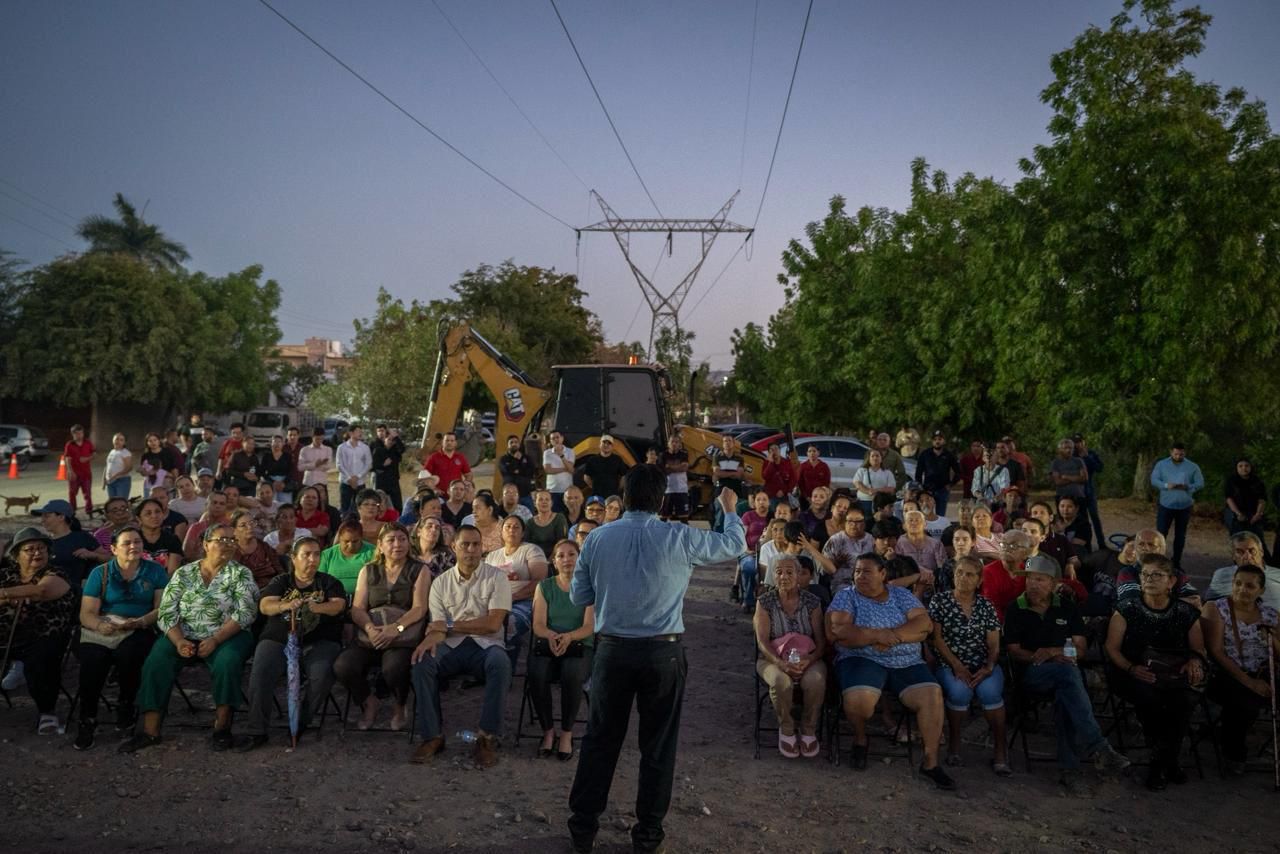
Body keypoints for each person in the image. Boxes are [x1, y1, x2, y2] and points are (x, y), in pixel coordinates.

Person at [567, 468, 745, 854]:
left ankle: (583, 830)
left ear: (624, 497)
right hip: (663, 653)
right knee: (658, 747)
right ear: (662, 499)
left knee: (600, 740)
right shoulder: (679, 535)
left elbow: (579, 597)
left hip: (613, 651)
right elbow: (734, 544)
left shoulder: (597, 538)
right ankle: (648, 837)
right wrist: (729, 509)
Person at [120, 523, 258, 752]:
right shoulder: (185, 573)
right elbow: (166, 611)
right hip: (183, 634)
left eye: (232, 540)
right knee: (156, 662)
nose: (228, 544)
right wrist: (178, 640)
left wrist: (216, 639)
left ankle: (222, 729)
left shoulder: (240, 573)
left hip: (227, 634)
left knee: (228, 662)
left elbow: (246, 613)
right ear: (206, 544)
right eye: (221, 540)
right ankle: (150, 731)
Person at [1003, 554, 1130, 793]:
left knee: (1067, 693)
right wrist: (1040, 656)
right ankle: (1098, 748)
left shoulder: (1067, 607)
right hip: (1031, 673)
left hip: (1065, 674)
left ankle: (1071, 769)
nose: (1033, 584)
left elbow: (1080, 649)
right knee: (1069, 677)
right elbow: (1014, 650)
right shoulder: (1016, 608)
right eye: (1030, 579)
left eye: (1040, 579)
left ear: (1053, 583)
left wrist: (1053, 652)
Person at [825, 553, 953, 788]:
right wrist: (877, 635)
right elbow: (840, 632)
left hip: (907, 661)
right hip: (862, 658)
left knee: (932, 695)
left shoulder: (900, 595)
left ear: (882, 574)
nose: (860, 576)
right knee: (859, 700)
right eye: (857, 571)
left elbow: (924, 625)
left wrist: (893, 636)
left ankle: (930, 762)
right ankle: (860, 740)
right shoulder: (847, 596)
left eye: (867, 571)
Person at [409, 524, 512, 767]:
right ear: (454, 547)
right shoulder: (441, 583)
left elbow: (492, 624)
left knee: (500, 664)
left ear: (482, 547)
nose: (471, 550)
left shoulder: (497, 577)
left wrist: (450, 625)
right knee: (422, 662)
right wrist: (432, 636)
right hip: (450, 645)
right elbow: (437, 627)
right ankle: (432, 736)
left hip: (487, 645)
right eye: (465, 544)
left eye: (476, 544)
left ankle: (487, 737)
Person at [1104, 553, 1206, 790]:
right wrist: (1131, 668)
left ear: (1171, 581)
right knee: (1152, 698)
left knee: (1184, 700)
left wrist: (1194, 660)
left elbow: (1198, 647)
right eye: (1145, 575)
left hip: (1174, 672)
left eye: (1157, 575)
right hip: (1131, 671)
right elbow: (1112, 648)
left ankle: (1162, 761)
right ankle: (1165, 764)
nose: (1149, 579)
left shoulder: (1185, 611)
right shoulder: (1126, 608)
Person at [240, 536, 346, 750]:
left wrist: (318, 607)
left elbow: (338, 605)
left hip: (319, 641)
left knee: (321, 674)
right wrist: (285, 605)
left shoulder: (329, 582)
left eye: (316, 554)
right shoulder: (281, 581)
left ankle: (299, 722)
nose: (312, 559)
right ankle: (257, 730)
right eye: (306, 554)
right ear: (294, 558)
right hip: (279, 639)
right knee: (261, 673)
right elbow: (265, 605)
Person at [74, 527, 167, 750]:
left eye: (138, 542)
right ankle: (87, 718)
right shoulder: (101, 573)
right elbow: (86, 613)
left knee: (130, 654)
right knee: (92, 660)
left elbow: (161, 608)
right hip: (103, 626)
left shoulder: (155, 571)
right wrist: (100, 625)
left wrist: (141, 621)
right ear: (114, 549)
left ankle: (126, 704)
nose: (134, 546)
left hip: (139, 626)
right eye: (127, 543)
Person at [334, 523, 430, 732]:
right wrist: (369, 628)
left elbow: (419, 608)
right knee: (343, 665)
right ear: (380, 545)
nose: (397, 544)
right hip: (372, 634)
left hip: (403, 635)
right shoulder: (368, 570)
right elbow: (358, 608)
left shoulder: (419, 569)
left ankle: (400, 705)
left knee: (393, 668)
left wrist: (397, 628)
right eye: (391, 540)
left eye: (402, 539)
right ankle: (369, 702)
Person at [928, 554, 1010, 774]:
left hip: (982, 664)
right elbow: (937, 639)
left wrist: (989, 667)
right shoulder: (940, 601)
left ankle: (1000, 751)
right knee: (959, 692)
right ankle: (955, 746)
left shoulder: (986, 605)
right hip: (950, 663)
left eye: (970, 575)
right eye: (959, 573)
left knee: (991, 693)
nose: (963, 578)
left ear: (979, 580)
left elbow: (994, 643)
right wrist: (956, 665)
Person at [1200, 564, 1279, 774]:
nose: (1242, 589)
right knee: (1245, 702)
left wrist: (1273, 639)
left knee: (1251, 699)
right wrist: (1250, 682)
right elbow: (1216, 652)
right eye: (1238, 583)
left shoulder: (1270, 614)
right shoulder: (1216, 608)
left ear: (1261, 590)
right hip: (1224, 674)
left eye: (1250, 586)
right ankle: (1233, 754)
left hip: (1263, 673)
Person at [0, 528, 77, 734]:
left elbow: (42, 590)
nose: (37, 553)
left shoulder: (56, 573)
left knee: (41, 659)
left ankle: (47, 712)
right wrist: (16, 595)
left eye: (41, 548)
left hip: (45, 634)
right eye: (30, 549)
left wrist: (5, 594)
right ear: (16, 555)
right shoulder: (6, 574)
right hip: (6, 635)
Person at [754, 554, 827, 758]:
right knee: (781, 682)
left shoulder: (812, 602)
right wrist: (781, 663)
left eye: (789, 572)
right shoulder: (765, 602)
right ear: (773, 576)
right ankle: (786, 727)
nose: (784, 577)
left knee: (815, 680)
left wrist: (809, 660)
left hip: (807, 658)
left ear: (798, 575)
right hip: (772, 658)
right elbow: (762, 642)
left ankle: (808, 728)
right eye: (779, 572)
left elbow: (821, 641)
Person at [530, 539, 596, 760]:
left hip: (579, 643)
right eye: (561, 556)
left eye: (571, 555)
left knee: (572, 674)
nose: (566, 559)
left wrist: (569, 637)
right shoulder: (545, 587)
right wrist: (551, 635)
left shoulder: (589, 586)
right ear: (554, 561)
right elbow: (538, 624)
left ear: (579, 559)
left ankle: (567, 732)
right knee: (537, 673)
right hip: (549, 641)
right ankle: (548, 731)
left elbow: (589, 626)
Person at [485, 515, 548, 668]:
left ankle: (507, 669)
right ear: (501, 531)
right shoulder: (492, 556)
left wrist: (513, 597)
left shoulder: (531, 550)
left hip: (524, 601)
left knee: (511, 624)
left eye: (516, 527)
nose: (511, 530)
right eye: (507, 526)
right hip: (495, 602)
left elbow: (540, 582)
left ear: (523, 532)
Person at [1149, 443, 1203, 570]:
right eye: (1176, 454)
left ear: (1185, 453)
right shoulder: (1162, 464)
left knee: (1180, 536)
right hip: (1166, 505)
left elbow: (1200, 483)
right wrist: (1166, 485)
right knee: (1161, 534)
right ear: (1171, 452)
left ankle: (1176, 562)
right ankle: (1158, 560)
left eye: (1181, 454)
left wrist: (1189, 487)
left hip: (1184, 506)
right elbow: (1154, 480)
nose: (1178, 456)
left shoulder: (1192, 466)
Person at [1115, 529, 1199, 605]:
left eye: (1151, 544)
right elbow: (1132, 603)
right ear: (1136, 548)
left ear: (1162, 550)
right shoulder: (1127, 573)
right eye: (1141, 544)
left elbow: (1194, 600)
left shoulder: (1177, 574)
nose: (1145, 548)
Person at [32, 498, 99, 589]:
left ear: (61, 517)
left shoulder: (81, 537)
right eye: (42, 517)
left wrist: (92, 555)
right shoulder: (43, 542)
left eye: (46, 516)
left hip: (72, 592)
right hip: (43, 590)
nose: (42, 520)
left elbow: (109, 558)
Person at [1205, 531, 1280, 608]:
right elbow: (1208, 604)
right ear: (1233, 556)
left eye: (1252, 551)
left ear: (1261, 552)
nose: (1247, 556)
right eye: (1240, 552)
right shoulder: (1222, 575)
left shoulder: (1278, 575)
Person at [819, 506, 875, 590]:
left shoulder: (871, 540)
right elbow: (824, 571)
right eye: (850, 521)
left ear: (864, 522)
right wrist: (836, 563)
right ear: (844, 522)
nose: (854, 525)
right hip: (842, 585)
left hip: (867, 584)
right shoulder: (835, 540)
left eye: (858, 521)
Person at [735, 489, 772, 609]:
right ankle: (748, 599)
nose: (761, 502)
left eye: (764, 499)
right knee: (749, 568)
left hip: (768, 553)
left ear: (769, 502)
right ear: (754, 502)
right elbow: (740, 537)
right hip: (749, 552)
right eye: (758, 499)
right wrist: (746, 550)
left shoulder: (773, 516)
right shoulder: (748, 516)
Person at [318, 519, 375, 596]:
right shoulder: (327, 554)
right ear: (339, 538)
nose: (350, 545)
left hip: (365, 597)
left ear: (361, 537)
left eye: (355, 541)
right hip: (333, 597)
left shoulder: (373, 552)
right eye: (346, 541)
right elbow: (321, 580)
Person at [229, 508, 282, 591]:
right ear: (234, 530)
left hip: (273, 587)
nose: (249, 527)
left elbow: (279, 568)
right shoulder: (231, 550)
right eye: (243, 525)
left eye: (251, 523)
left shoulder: (263, 545)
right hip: (247, 591)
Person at [1071, 433, 1106, 547]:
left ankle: (1101, 544)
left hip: (1089, 492)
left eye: (1079, 442)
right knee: (1082, 521)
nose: (1078, 445)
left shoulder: (1090, 453)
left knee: (1095, 518)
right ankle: (1087, 545)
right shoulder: (1071, 456)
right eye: (1075, 443)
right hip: (1077, 493)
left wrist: (1087, 457)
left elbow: (1099, 468)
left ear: (1084, 442)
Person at [916, 431, 961, 517]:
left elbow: (958, 472)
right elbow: (918, 472)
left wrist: (951, 484)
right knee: (926, 516)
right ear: (932, 441)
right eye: (935, 439)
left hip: (942, 490)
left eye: (939, 439)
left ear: (943, 441)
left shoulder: (949, 455)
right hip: (927, 490)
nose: (937, 441)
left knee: (940, 516)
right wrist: (921, 487)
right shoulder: (925, 454)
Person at [1224, 457, 1267, 542]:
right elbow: (1229, 499)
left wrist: (1258, 514)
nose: (1244, 468)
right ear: (1236, 468)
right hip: (1235, 512)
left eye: (1246, 466)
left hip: (1253, 512)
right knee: (1238, 538)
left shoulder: (1257, 481)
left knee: (1257, 539)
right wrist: (1238, 514)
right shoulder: (1231, 481)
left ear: (1251, 467)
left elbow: (1262, 499)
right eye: (1240, 466)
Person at [136, 498, 182, 574]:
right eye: (148, 513)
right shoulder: (132, 539)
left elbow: (172, 573)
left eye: (157, 512)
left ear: (163, 515)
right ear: (139, 519)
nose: (154, 516)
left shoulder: (172, 539)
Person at [896, 510, 946, 578]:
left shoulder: (936, 543)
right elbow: (899, 567)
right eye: (910, 520)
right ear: (904, 526)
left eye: (917, 520)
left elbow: (941, 568)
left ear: (925, 524)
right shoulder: (899, 543)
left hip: (932, 579)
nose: (914, 523)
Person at [335, 425, 372, 515]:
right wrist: (349, 478)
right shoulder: (342, 447)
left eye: (361, 431)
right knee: (344, 508)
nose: (360, 433)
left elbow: (368, 464)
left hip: (360, 483)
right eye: (358, 431)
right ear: (351, 433)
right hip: (345, 482)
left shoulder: (365, 447)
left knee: (360, 508)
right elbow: (339, 464)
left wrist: (357, 477)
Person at [583, 434, 631, 502]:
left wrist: (617, 488)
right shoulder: (592, 460)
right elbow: (586, 476)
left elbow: (624, 476)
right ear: (599, 445)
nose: (606, 445)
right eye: (604, 442)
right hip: (597, 496)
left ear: (612, 447)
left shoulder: (617, 459)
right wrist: (593, 487)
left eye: (609, 443)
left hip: (612, 496)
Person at [64, 423, 95, 516]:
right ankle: (72, 512)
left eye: (81, 433)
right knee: (72, 493)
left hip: (86, 474)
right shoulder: (69, 445)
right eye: (77, 434)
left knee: (87, 494)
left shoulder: (88, 443)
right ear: (73, 434)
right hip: (74, 473)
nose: (79, 435)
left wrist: (87, 458)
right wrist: (70, 471)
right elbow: (67, 458)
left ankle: (89, 511)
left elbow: (94, 454)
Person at [526, 489, 568, 558]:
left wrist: (550, 560)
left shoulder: (559, 518)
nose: (544, 502)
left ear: (551, 503)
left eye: (547, 499)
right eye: (540, 499)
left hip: (556, 557)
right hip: (534, 557)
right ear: (534, 503)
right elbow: (527, 544)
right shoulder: (530, 522)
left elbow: (562, 542)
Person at [659, 434, 691, 523]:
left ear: (679, 444)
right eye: (672, 441)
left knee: (684, 519)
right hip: (668, 490)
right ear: (668, 443)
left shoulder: (683, 454)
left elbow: (684, 468)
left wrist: (669, 467)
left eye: (676, 442)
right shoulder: (663, 455)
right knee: (663, 518)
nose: (674, 444)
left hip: (682, 490)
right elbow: (663, 470)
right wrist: (678, 467)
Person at [372, 427, 405, 511]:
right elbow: (373, 466)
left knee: (397, 504)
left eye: (393, 440)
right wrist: (383, 465)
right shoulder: (378, 450)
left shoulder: (396, 452)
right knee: (379, 502)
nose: (391, 442)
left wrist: (396, 437)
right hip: (381, 481)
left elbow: (402, 449)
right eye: (389, 439)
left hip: (393, 480)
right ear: (385, 439)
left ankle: (398, 517)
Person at [543, 430, 576, 513]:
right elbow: (548, 470)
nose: (555, 440)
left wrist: (561, 456)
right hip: (552, 490)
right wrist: (564, 469)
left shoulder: (570, 451)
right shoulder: (547, 453)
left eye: (557, 437)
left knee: (567, 513)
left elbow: (571, 469)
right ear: (550, 441)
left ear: (562, 438)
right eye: (553, 438)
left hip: (567, 490)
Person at [498, 434, 537, 502]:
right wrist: (515, 460)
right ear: (507, 445)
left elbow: (531, 472)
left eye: (516, 442)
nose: (514, 444)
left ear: (519, 444)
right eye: (511, 442)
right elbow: (507, 471)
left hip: (525, 494)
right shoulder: (503, 459)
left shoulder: (527, 458)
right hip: (510, 495)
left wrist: (517, 471)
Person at [1050, 438, 1089, 502]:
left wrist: (1067, 477)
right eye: (1065, 448)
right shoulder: (1056, 463)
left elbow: (1084, 478)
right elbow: (1058, 482)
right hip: (1062, 497)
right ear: (1060, 450)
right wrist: (1076, 479)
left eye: (1071, 448)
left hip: (1079, 496)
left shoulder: (1079, 461)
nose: (1068, 450)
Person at [762, 443, 798, 510]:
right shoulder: (766, 463)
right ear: (769, 452)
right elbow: (765, 476)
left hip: (785, 496)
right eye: (772, 450)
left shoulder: (787, 463)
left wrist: (784, 491)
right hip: (771, 496)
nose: (774, 451)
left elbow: (793, 479)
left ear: (779, 450)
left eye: (776, 449)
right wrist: (770, 463)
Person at [797, 444, 831, 510]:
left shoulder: (824, 466)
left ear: (818, 453)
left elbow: (826, 483)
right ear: (807, 453)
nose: (812, 453)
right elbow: (800, 482)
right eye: (809, 451)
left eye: (814, 451)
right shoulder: (803, 466)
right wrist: (806, 497)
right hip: (806, 498)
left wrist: (820, 496)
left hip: (819, 499)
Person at [103, 432, 134, 499]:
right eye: (117, 439)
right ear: (113, 440)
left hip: (121, 481)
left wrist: (116, 476)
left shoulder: (125, 453)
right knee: (112, 502)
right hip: (110, 481)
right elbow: (108, 465)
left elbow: (129, 467)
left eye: (121, 440)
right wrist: (104, 479)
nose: (118, 441)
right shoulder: (112, 451)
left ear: (124, 443)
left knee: (121, 502)